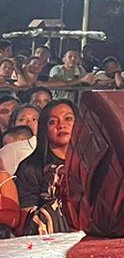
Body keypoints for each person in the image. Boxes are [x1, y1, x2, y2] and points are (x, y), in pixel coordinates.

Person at [16, 100, 77, 235]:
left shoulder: (93, 161)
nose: (61, 125)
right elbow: (23, 223)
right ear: (44, 129)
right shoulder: (30, 167)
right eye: (53, 122)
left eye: (68, 119)